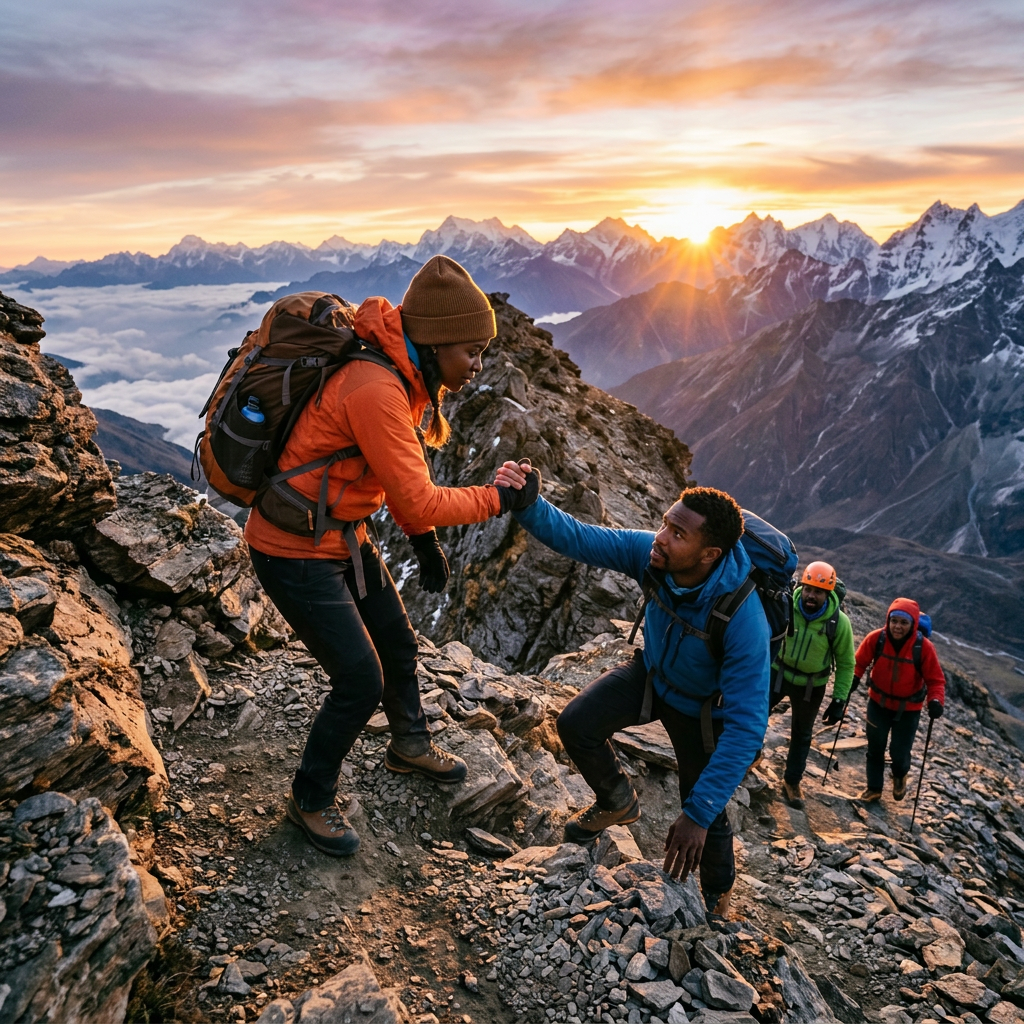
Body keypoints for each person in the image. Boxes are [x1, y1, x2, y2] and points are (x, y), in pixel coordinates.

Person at [245, 256, 539, 856]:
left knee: (399, 644)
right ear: (432, 344)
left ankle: (408, 744)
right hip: (292, 547)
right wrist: (500, 499)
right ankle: (309, 798)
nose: (477, 366)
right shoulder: (377, 387)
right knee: (359, 679)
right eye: (471, 352)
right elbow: (421, 496)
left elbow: (391, 478)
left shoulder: (401, 375)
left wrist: (421, 541)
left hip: (339, 534)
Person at [493, 465, 769, 916]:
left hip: (703, 711)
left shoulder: (742, 618)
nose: (660, 536)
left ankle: (719, 895)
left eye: (677, 533)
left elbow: (747, 726)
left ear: (709, 554)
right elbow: (581, 538)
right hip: (654, 676)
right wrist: (529, 505)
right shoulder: (653, 555)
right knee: (576, 723)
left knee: (707, 813)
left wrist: (696, 815)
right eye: (664, 522)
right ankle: (617, 801)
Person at [774, 561, 855, 809]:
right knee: (755, 715)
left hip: (811, 685)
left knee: (802, 733)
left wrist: (839, 699)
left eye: (818, 592)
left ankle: (792, 781)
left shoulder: (838, 623)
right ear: (801, 585)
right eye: (808, 589)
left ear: (828, 593)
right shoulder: (785, 606)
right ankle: (749, 757)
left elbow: (846, 663)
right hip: (777, 673)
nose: (811, 596)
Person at [852, 598, 945, 802]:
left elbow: (935, 680)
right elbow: (858, 663)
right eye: (894, 621)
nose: (898, 626)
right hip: (878, 703)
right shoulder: (876, 638)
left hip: (908, 710)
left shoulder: (924, 648)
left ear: (912, 625)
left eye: (904, 622)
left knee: (899, 752)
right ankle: (874, 788)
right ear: (888, 620)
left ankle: (900, 774)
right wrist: (852, 680)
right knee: (875, 747)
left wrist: (936, 701)